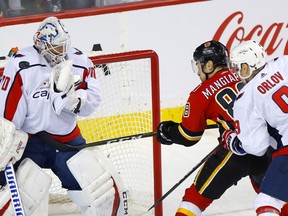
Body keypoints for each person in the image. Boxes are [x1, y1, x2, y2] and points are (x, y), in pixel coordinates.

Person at [0, 16, 127, 216]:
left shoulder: (79, 61)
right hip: (29, 143)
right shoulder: (22, 65)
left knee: (99, 192)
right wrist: (7, 146)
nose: (60, 53)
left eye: (63, 47)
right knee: (17, 198)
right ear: (41, 45)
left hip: (66, 140)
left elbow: (92, 99)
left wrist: (73, 99)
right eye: (55, 48)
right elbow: (8, 115)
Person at [156, 40, 274, 216]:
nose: (197, 72)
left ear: (209, 65)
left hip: (235, 152)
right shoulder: (243, 75)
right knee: (274, 197)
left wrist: (168, 132)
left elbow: (189, 137)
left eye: (198, 65)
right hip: (266, 144)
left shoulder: (200, 94)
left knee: (195, 198)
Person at [222, 40, 288, 215]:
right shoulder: (284, 62)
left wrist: (233, 140)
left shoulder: (245, 97)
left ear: (246, 67)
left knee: (266, 201)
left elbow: (257, 147)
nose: (236, 73)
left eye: (237, 68)